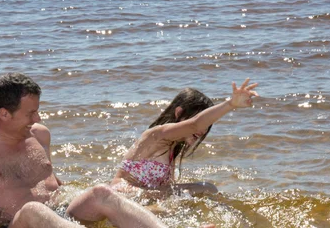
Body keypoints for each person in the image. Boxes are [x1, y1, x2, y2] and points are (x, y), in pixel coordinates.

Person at [0, 73, 215, 228]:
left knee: (100, 192)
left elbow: (49, 181)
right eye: (30, 113)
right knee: (33, 209)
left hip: (61, 214)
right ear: (4, 114)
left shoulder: (39, 135)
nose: (38, 118)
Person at [111, 79, 259, 196]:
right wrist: (230, 104)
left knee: (206, 191)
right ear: (179, 112)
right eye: (203, 122)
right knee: (206, 189)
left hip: (144, 195)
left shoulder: (172, 148)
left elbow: (166, 188)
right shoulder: (157, 134)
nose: (203, 130)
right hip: (122, 193)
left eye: (208, 125)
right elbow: (195, 125)